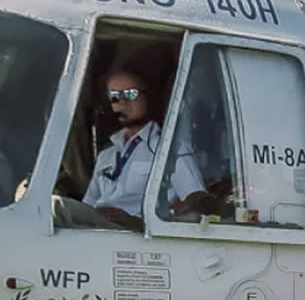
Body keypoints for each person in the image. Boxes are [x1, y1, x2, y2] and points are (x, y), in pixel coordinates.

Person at [53, 67, 207, 232]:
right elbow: (87, 205)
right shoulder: (107, 155)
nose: (122, 103)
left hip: (134, 232)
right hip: (98, 229)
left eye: (131, 94)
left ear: (149, 97)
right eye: (114, 97)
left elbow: (196, 202)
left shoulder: (170, 147)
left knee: (54, 206)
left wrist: (139, 223)